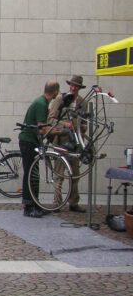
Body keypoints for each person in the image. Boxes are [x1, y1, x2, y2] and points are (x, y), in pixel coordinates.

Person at [19, 81, 60, 218]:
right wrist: (60, 132)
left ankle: (36, 205)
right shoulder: (41, 104)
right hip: (28, 141)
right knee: (30, 174)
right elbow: (42, 128)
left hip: (32, 141)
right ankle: (28, 207)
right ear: (55, 91)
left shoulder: (42, 102)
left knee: (34, 175)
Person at [47, 75, 87, 212]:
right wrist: (65, 124)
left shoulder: (83, 102)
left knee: (75, 174)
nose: (73, 88)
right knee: (59, 174)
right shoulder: (60, 99)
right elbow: (50, 119)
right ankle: (57, 203)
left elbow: (84, 123)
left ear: (79, 88)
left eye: (76, 86)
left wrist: (81, 130)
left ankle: (73, 203)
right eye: (72, 85)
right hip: (61, 141)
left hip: (75, 144)